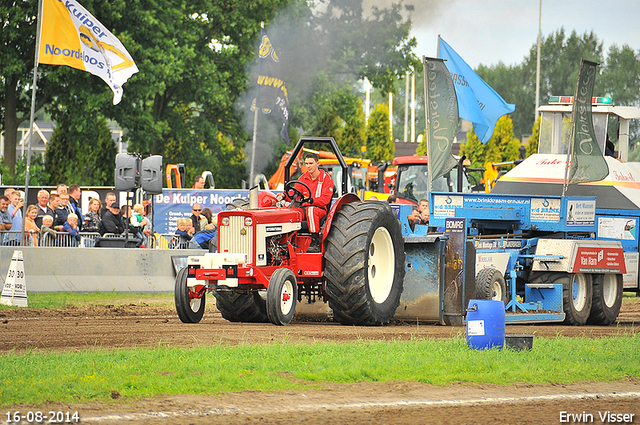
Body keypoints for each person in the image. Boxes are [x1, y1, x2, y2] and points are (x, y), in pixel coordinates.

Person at [276, 152, 334, 252]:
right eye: (306, 163)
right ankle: (285, 241)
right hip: (304, 209)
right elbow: (295, 192)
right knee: (288, 212)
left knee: (311, 211)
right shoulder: (303, 178)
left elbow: (325, 200)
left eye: (311, 163)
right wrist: (284, 195)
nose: (308, 166)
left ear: (317, 163)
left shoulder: (326, 179)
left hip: (319, 210)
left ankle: (314, 241)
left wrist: (311, 200)